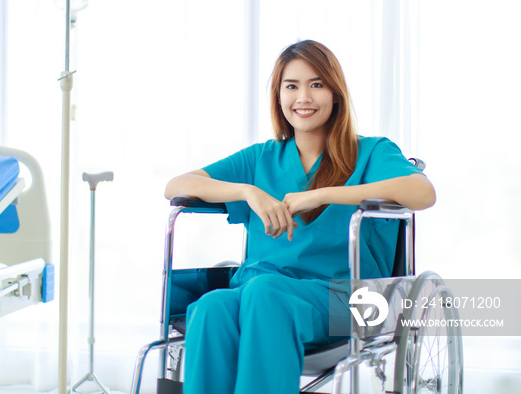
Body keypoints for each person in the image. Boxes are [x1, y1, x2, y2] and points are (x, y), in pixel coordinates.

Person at [164, 40, 436, 394]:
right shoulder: (260, 159)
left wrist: (323, 195)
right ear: (278, 97)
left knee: (265, 292)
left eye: (317, 84)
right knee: (211, 307)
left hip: (347, 300)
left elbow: (422, 192)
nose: (303, 97)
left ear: (335, 94)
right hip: (258, 288)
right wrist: (249, 192)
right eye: (291, 86)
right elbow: (176, 186)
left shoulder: (371, 152)